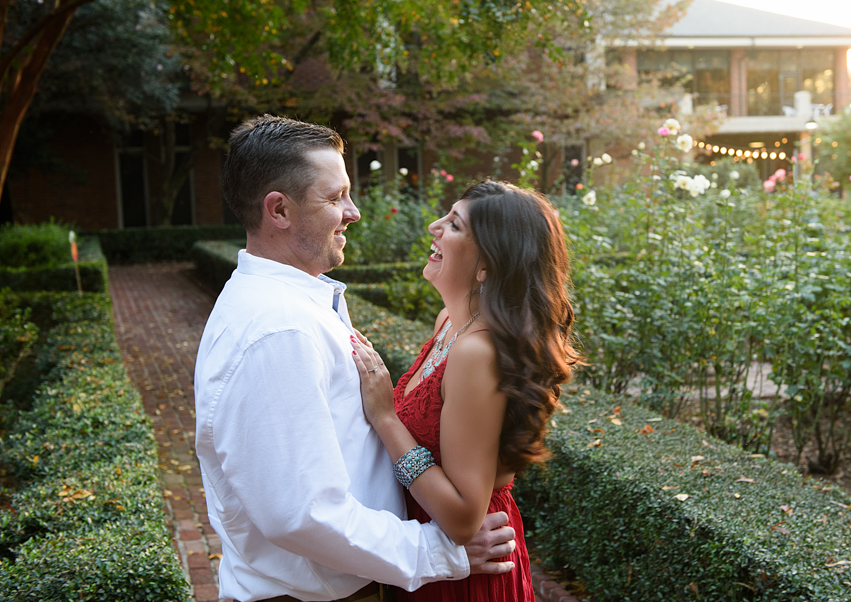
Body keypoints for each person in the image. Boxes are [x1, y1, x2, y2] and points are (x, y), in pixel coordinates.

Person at [194, 116, 516, 602]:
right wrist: (438, 552)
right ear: (279, 210)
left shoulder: (298, 303)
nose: (354, 211)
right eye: (334, 197)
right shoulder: (279, 331)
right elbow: (302, 513)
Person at [350, 181, 580, 601]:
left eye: (454, 225)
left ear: (488, 264)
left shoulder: (478, 351)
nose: (435, 227)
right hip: (427, 556)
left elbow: (462, 518)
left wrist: (385, 418)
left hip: (466, 573)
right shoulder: (448, 324)